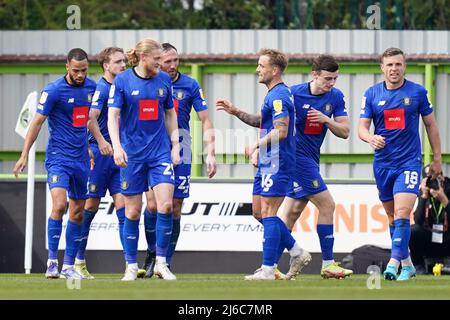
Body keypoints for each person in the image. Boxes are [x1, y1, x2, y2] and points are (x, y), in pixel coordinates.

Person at [216, 48, 309, 280]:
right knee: (259, 212)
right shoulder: (273, 94)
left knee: (269, 211)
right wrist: (236, 111)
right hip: (269, 161)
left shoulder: (278, 95)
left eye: (261, 65)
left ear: (274, 70)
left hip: (278, 161)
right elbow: (262, 120)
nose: (257, 69)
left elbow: (282, 130)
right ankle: (297, 251)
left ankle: (268, 269)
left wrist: (257, 145)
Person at [358, 47, 442, 281]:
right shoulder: (372, 94)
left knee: (403, 212)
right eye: (390, 65)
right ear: (382, 68)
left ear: (404, 66)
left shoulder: (417, 92)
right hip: (383, 164)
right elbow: (361, 128)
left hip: (409, 162)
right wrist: (370, 138)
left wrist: (437, 158)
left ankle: (393, 263)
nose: (394, 69)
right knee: (393, 218)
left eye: (398, 64)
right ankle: (408, 264)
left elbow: (431, 126)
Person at [13, 48, 96, 279]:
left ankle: (68, 266)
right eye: (77, 70)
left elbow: (86, 120)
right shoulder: (53, 91)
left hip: (81, 159)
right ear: (67, 67)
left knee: (78, 212)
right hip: (59, 158)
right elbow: (37, 123)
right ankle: (52, 262)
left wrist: (91, 145)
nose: (81, 75)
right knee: (60, 205)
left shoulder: (92, 88)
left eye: (84, 70)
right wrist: (23, 154)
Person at [138, 43, 217, 278]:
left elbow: (206, 120)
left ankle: (166, 263)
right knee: (152, 205)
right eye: (167, 61)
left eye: (176, 60)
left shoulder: (190, 85)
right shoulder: (148, 82)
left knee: (175, 208)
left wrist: (210, 152)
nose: (173, 65)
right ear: (157, 61)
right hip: (151, 149)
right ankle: (152, 253)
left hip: (180, 149)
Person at [108, 38, 180, 281]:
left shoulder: (164, 80)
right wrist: (117, 147)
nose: (162, 64)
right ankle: (130, 265)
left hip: (159, 153)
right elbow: (112, 116)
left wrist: (176, 144)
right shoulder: (123, 81)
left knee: (166, 206)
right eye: (157, 59)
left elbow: (170, 112)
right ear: (143, 57)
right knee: (133, 211)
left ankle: (161, 263)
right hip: (132, 155)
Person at [279, 54, 353, 279]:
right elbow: (275, 123)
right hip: (296, 159)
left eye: (334, 79)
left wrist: (326, 120)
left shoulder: (336, 97)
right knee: (328, 205)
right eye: (327, 79)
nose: (331, 83)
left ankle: (269, 266)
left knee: (290, 215)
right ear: (315, 74)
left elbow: (345, 132)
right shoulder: (293, 93)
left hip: (312, 159)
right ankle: (329, 263)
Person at [73, 47, 127, 279]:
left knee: (126, 209)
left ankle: (130, 265)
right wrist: (101, 141)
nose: (123, 65)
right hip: (100, 155)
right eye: (118, 62)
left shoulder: (124, 87)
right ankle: (77, 261)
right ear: (106, 65)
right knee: (90, 207)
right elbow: (90, 117)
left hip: (119, 156)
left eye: (124, 61)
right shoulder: (101, 89)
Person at [410, 167, 450, 274]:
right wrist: (424, 196)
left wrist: (444, 200)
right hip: (429, 238)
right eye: (430, 179)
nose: (434, 181)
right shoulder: (423, 192)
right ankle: (418, 266)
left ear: (442, 176)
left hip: (447, 239)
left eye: (437, 176)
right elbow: (418, 221)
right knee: (412, 231)